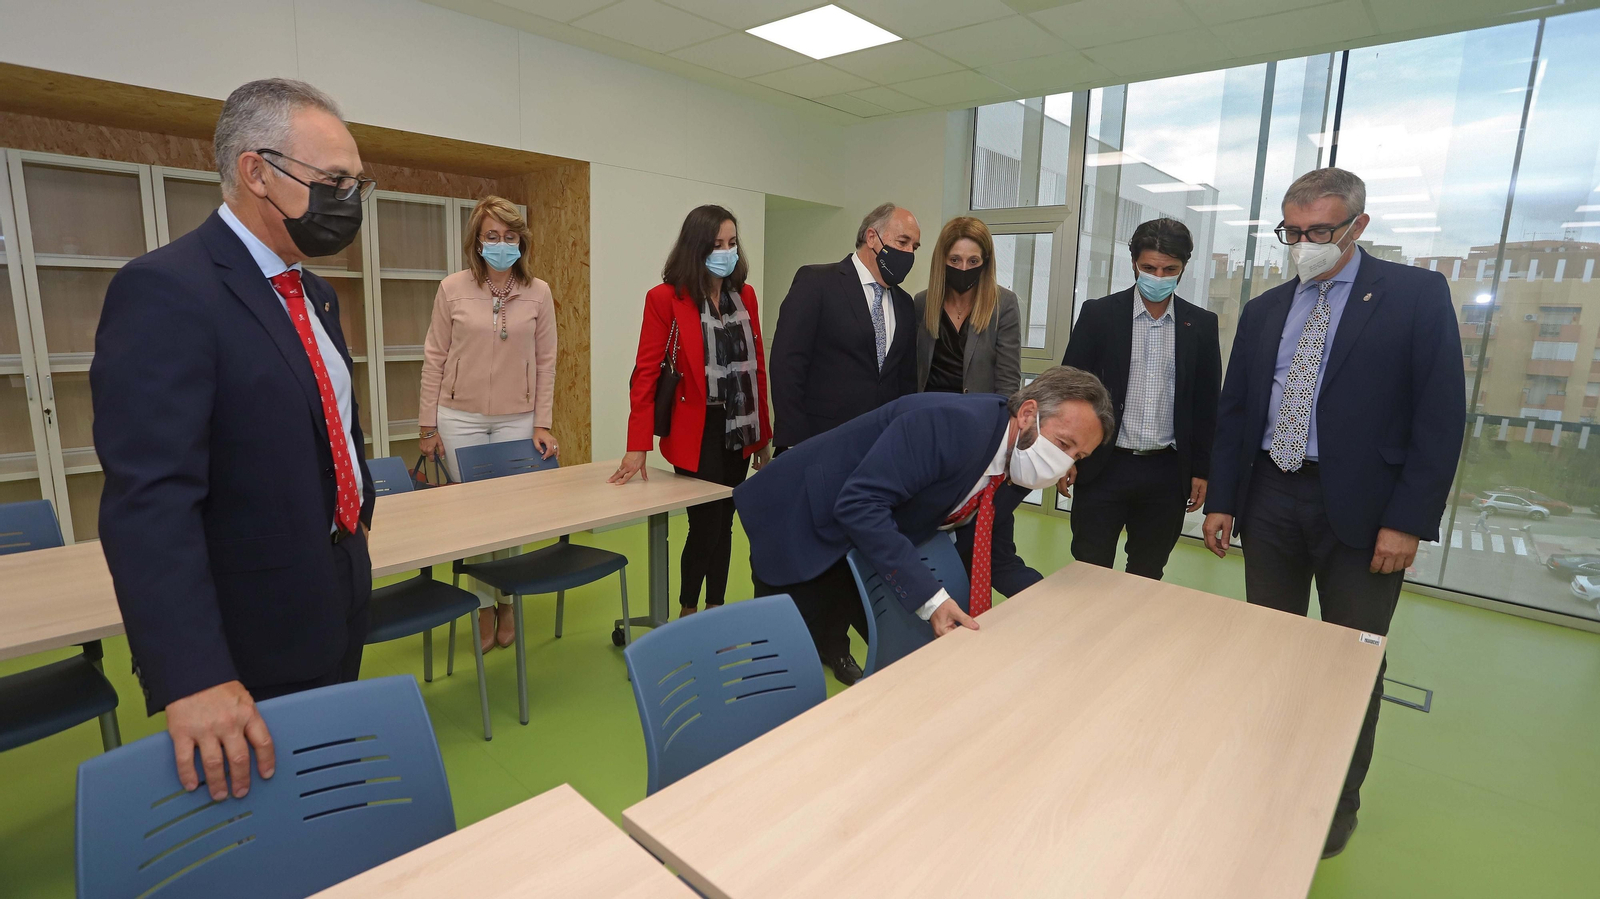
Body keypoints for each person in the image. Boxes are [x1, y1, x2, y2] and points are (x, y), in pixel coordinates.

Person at [91, 79, 378, 802]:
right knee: (268, 812)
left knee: (326, 788)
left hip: (335, 584)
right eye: (333, 182)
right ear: (257, 172)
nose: (349, 200)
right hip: (249, 627)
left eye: (356, 184)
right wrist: (192, 673)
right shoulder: (167, 290)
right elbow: (150, 501)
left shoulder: (314, 292)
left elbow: (329, 424)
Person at [1201, 167, 1465, 858]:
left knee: (1352, 665)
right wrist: (1223, 500)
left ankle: (1334, 803)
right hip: (1270, 497)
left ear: (1357, 225)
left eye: (1319, 232)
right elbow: (1235, 414)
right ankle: (1269, 775)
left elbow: (1440, 418)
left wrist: (1408, 520)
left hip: (1366, 515)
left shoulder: (1415, 296)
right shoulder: (1265, 309)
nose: (1303, 245)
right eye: (1292, 232)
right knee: (1274, 652)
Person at [736, 366, 1113, 679]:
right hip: (802, 514)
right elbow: (860, 504)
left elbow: (991, 553)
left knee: (894, 654)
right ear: (1028, 414)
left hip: (864, 539)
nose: (1064, 463)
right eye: (1063, 444)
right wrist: (933, 601)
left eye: (1078, 456)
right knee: (779, 673)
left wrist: (1049, 601)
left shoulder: (1017, 463)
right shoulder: (955, 426)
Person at [766, 202, 921, 682]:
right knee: (808, 554)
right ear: (873, 237)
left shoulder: (903, 305)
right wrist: (793, 443)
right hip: (816, 448)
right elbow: (787, 363)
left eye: (915, 247)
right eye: (903, 243)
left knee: (852, 552)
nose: (910, 254)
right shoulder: (817, 281)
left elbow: (903, 385)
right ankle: (789, 652)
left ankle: (836, 644)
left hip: (873, 456)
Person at [612, 205, 772, 617]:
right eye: (717, 244)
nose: (726, 252)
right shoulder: (665, 298)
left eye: (732, 243)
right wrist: (637, 444)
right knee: (705, 525)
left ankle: (714, 608)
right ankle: (688, 610)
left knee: (726, 522)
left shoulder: (745, 296)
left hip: (738, 426)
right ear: (696, 248)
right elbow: (646, 373)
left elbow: (757, 369)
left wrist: (763, 436)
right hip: (695, 430)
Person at [417, 195, 558, 652]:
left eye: (510, 236)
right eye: (492, 236)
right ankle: (481, 606)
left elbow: (546, 361)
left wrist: (542, 422)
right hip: (460, 418)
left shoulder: (538, 292)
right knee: (475, 521)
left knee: (510, 517)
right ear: (477, 242)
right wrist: (427, 426)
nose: (501, 244)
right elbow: (434, 358)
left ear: (522, 241)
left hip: (518, 418)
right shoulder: (452, 289)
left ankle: (507, 601)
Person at [1060, 218, 1221, 580]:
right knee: (1089, 569)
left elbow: (1207, 405)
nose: (1158, 277)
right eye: (1149, 268)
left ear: (1184, 268)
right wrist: (1064, 456)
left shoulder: (1201, 325)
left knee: (1148, 574)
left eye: (1169, 270)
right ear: (1134, 263)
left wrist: (1202, 470)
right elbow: (1070, 391)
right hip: (1103, 465)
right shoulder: (1099, 315)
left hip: (1167, 473)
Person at [912, 216, 1022, 396]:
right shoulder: (922, 303)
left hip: (978, 410)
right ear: (942, 260)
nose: (963, 268)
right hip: (928, 407)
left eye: (973, 261)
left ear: (985, 262)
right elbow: (913, 370)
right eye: (955, 260)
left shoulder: (1003, 304)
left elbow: (1008, 381)